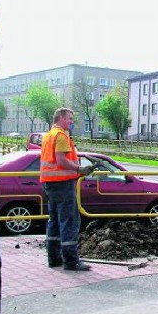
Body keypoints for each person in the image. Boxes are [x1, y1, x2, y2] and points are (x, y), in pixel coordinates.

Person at [40, 107, 98, 271]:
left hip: (50, 183)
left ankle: (54, 258)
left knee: (55, 221)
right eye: (70, 119)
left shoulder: (49, 135)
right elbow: (62, 161)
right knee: (69, 221)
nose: (72, 122)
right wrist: (79, 169)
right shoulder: (61, 135)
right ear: (61, 118)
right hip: (62, 184)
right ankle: (71, 261)